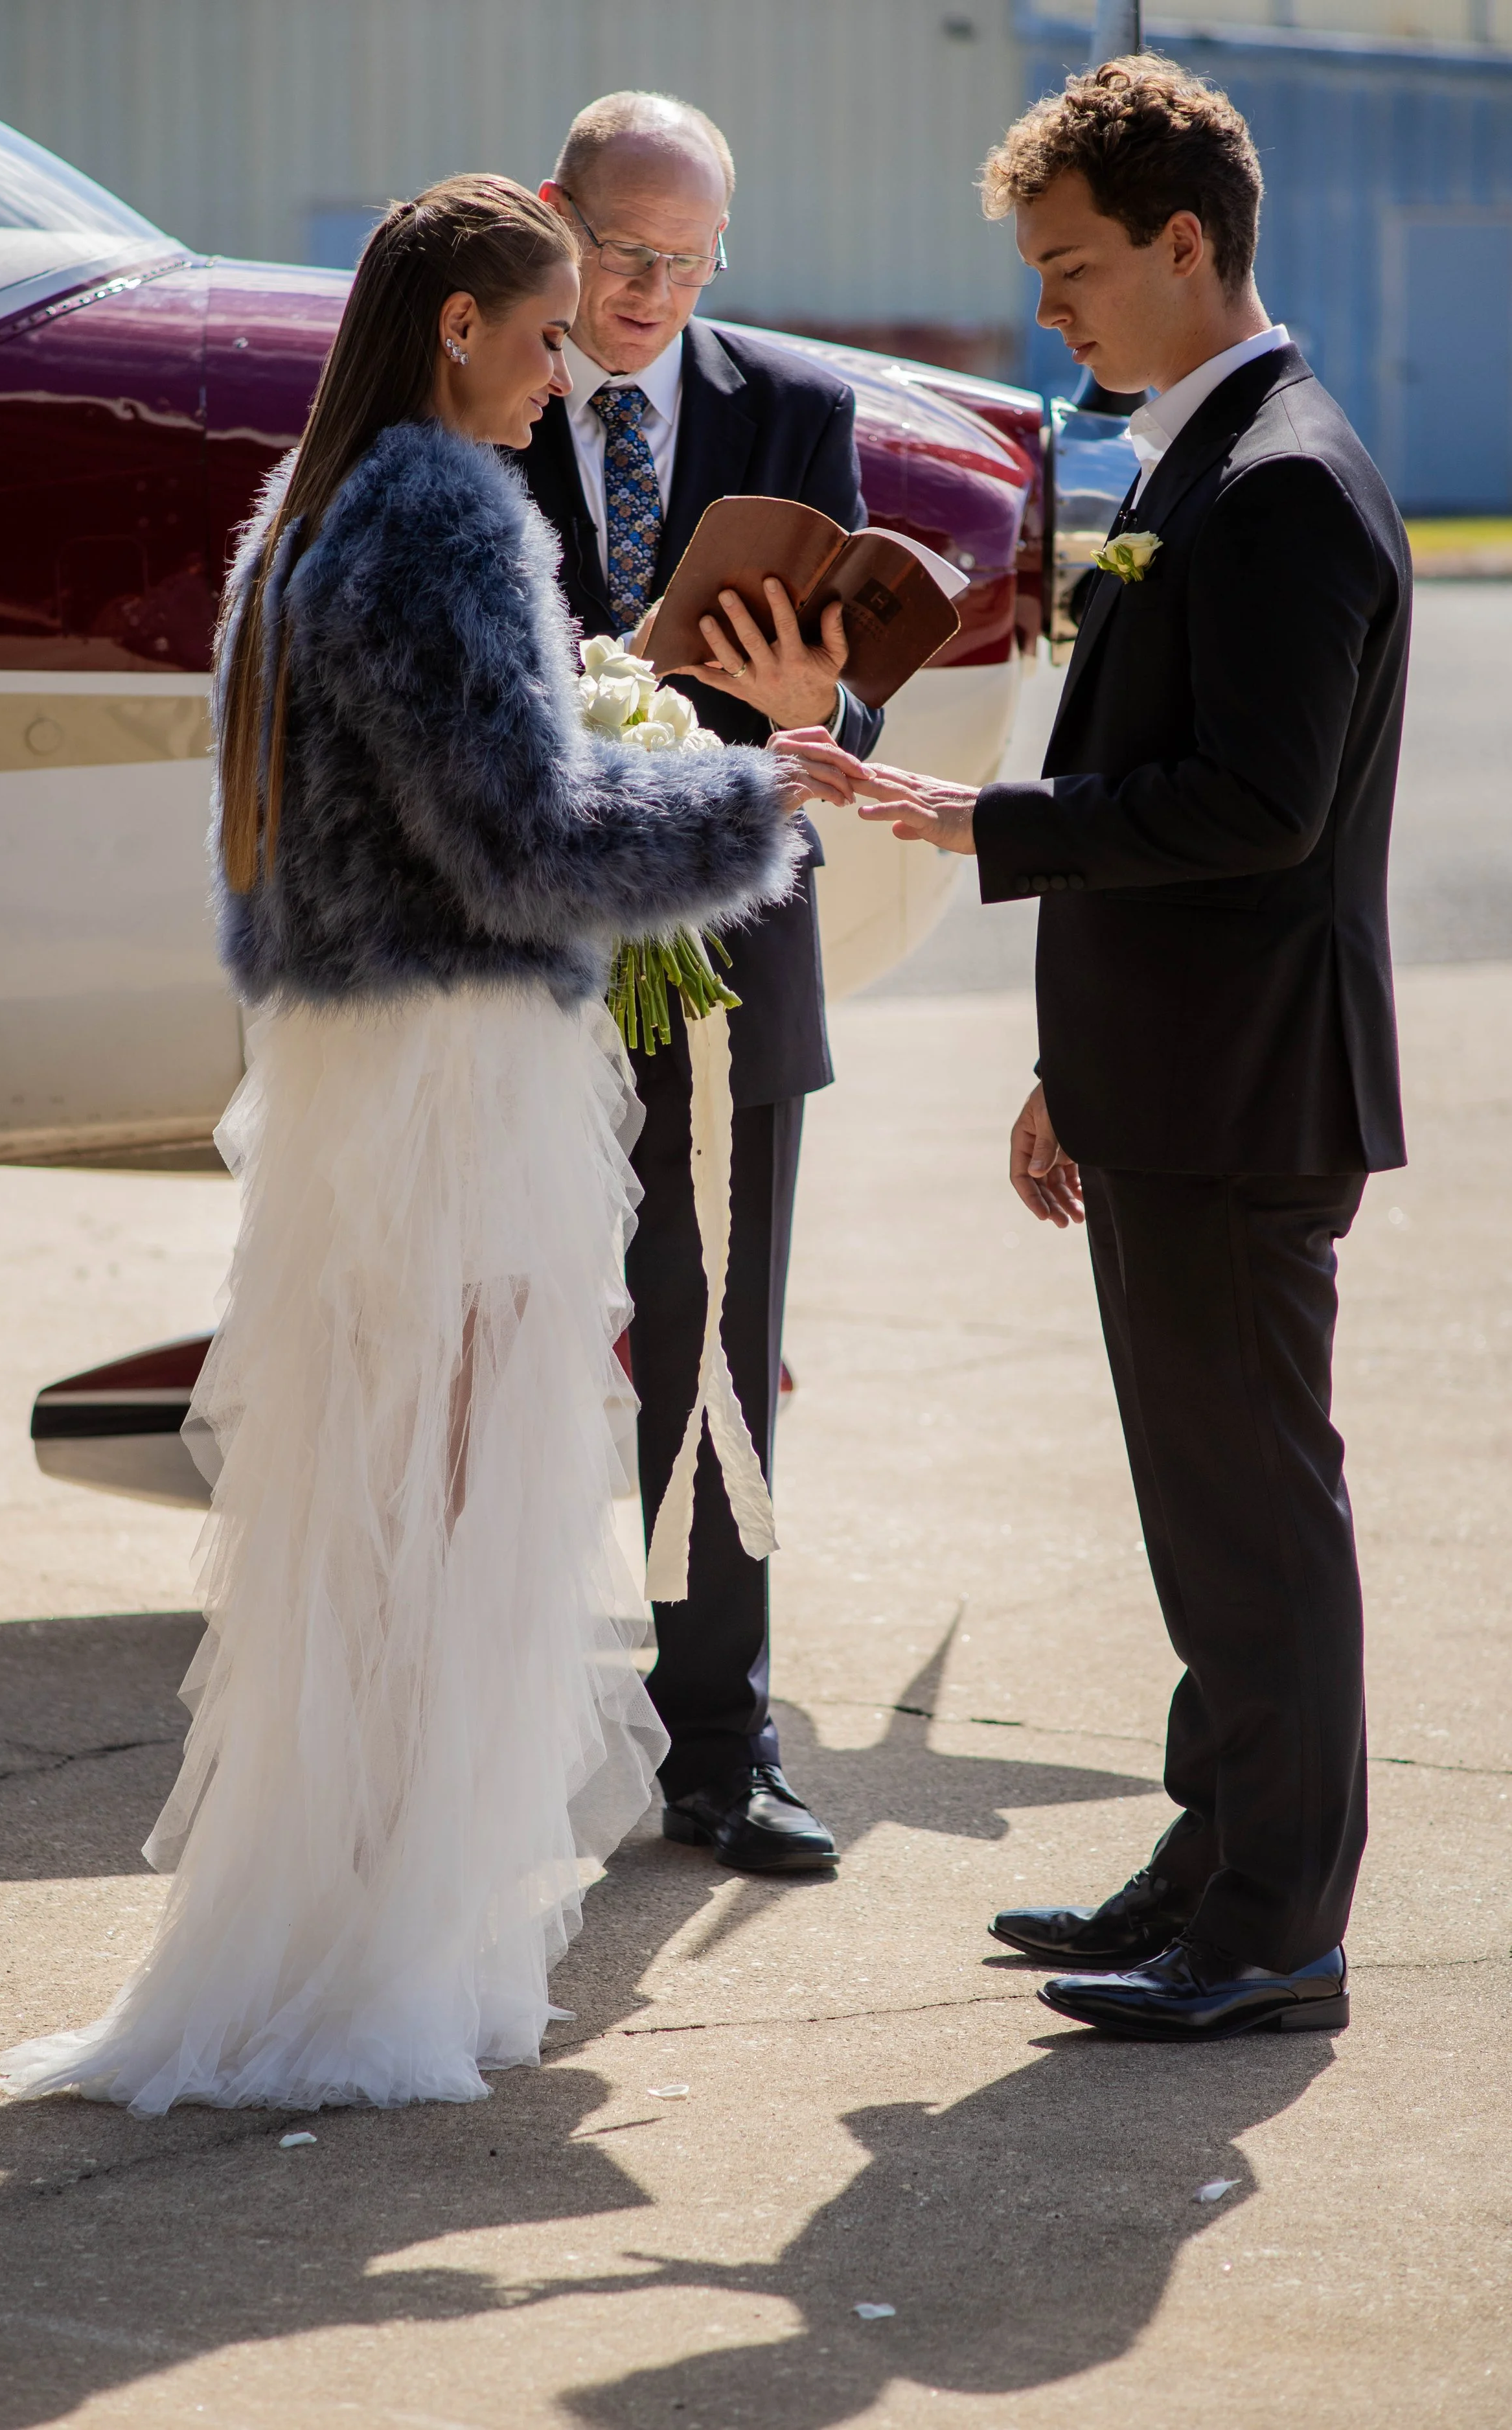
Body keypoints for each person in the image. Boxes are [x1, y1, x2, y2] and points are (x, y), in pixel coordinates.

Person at [0, 176, 807, 2115]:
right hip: (453, 1068)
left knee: (363, 1511)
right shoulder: (443, 511)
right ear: (457, 325)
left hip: (346, 1063)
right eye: (540, 339)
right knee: (458, 1509)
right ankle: (386, 1959)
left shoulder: (307, 507)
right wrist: (752, 787)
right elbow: (520, 838)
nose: (560, 379)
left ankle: (336, 1921)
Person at [779, 60, 1410, 2041]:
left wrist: (985, 825)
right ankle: (1206, 1854)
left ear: (1183, 242)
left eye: (1069, 271)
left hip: (1241, 1092)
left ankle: (1272, 1927)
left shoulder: (1283, 481)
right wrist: (1075, 1060)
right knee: (1202, 1503)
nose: (1046, 309)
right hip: (1174, 1071)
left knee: (1254, 1513)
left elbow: (1257, 807)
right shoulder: (1200, 453)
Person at [520, 91, 883, 1874]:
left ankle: (719, 1750)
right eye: (618, 252)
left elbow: (856, 706)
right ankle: (479, 1739)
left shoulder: (797, 411)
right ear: (551, 218)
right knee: (483, 1346)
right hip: (509, 968)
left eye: (685, 260)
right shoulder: (476, 395)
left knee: (712, 1357)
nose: (649, 291)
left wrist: (815, 699)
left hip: (731, 960)